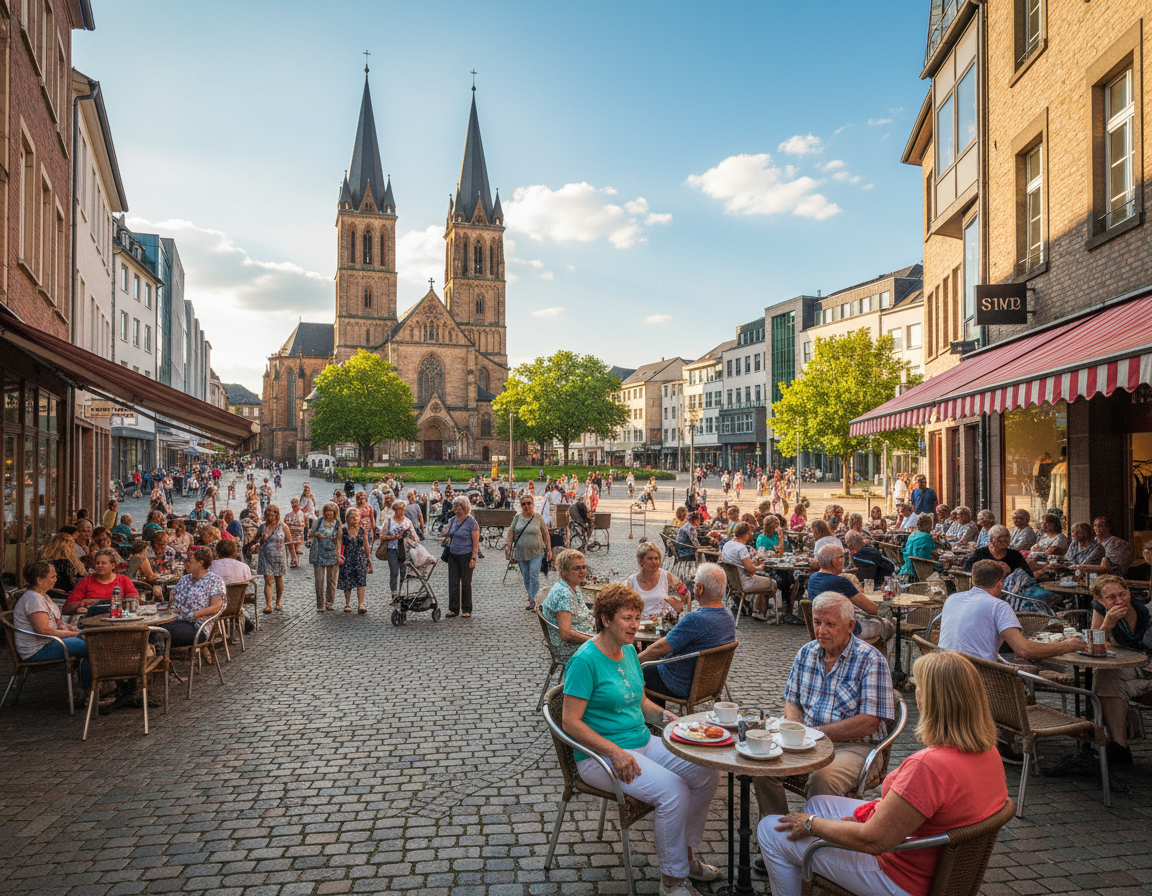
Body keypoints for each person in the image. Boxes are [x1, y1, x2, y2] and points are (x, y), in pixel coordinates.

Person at [759, 650, 1009, 896]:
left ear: (929, 700)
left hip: (899, 876)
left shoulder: (928, 766)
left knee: (770, 829)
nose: (916, 693)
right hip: (930, 860)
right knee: (818, 803)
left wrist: (811, 824)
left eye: (918, 687)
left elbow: (872, 840)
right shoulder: (989, 751)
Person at [563, 583, 721, 896]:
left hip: (643, 742)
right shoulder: (585, 660)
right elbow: (570, 722)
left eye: (637, 617)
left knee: (706, 773)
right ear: (605, 619)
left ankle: (685, 856)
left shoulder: (629, 652)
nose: (635, 624)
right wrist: (613, 751)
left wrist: (666, 718)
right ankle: (672, 881)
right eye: (627, 618)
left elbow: (640, 700)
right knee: (673, 791)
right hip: (601, 756)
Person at [752, 592, 895, 824]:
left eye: (830, 624)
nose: (821, 631)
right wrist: (794, 728)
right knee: (763, 766)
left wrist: (814, 733)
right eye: (817, 622)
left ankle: (818, 838)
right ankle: (778, 831)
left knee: (823, 780)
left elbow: (869, 722)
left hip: (855, 746)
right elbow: (793, 701)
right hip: (807, 741)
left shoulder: (871, 659)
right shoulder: (807, 652)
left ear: (850, 626)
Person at [939, 559, 1086, 665]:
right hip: (975, 677)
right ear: (1000, 582)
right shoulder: (998, 606)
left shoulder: (952, 599)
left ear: (973, 580)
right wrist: (1068, 645)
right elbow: (1025, 650)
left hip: (941, 671)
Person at [637, 564, 736, 706]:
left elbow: (658, 649)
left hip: (680, 684)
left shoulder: (695, 619)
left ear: (700, 589)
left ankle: (652, 716)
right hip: (709, 683)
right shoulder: (728, 616)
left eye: (695, 584)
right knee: (652, 666)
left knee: (642, 670)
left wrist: (633, 662)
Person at [1089, 576, 1151, 767]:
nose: (1119, 601)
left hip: (1146, 666)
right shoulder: (1102, 609)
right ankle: (1120, 748)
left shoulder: (1146, 611)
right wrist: (1106, 626)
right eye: (1111, 597)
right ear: (1100, 599)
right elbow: (1093, 647)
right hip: (1136, 667)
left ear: (1129, 592)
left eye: (1123, 594)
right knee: (1106, 676)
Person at [15, 561, 93, 698]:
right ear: (39, 580)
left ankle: (92, 690)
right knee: (92, 648)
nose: (56, 579)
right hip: (38, 650)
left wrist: (73, 630)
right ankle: (90, 693)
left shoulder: (41, 596)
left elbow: (54, 624)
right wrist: (74, 633)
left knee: (90, 642)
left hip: (46, 644)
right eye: (52, 576)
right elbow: (43, 630)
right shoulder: (33, 599)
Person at [159, 547, 225, 648]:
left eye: (190, 561)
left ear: (200, 563)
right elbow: (173, 601)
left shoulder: (214, 581)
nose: (186, 564)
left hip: (197, 627)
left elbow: (216, 607)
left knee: (160, 633)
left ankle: (158, 655)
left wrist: (194, 614)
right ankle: (158, 655)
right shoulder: (184, 579)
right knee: (152, 630)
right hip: (175, 621)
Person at [540, 549, 595, 656]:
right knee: (619, 642)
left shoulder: (572, 584)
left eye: (584, 567)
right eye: (576, 568)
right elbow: (565, 634)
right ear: (565, 571)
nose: (582, 571)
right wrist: (595, 641)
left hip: (585, 636)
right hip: (570, 648)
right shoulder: (564, 594)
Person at [721, 521, 777, 621]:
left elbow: (741, 563)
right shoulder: (741, 548)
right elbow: (751, 569)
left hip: (733, 582)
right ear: (748, 533)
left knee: (763, 578)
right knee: (773, 583)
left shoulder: (727, 544)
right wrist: (760, 566)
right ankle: (760, 611)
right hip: (745, 582)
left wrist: (754, 564)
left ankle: (757, 608)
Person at [505, 495, 552, 611]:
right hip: (521, 552)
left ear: (533, 504)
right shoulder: (517, 517)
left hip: (537, 552)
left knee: (533, 575)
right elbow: (511, 531)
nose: (526, 506)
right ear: (521, 506)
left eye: (529, 503)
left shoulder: (538, 517)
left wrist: (549, 549)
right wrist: (508, 546)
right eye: (524, 504)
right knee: (526, 576)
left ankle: (535, 600)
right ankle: (531, 597)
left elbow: (545, 533)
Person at [62, 549, 139, 615]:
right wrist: (81, 604)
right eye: (97, 563)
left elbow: (133, 602)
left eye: (103, 563)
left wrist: (95, 601)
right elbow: (66, 609)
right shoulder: (86, 581)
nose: (99, 566)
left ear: (113, 565)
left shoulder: (124, 580)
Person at [627, 541, 688, 617]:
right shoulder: (631, 582)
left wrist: (685, 615)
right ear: (641, 561)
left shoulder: (667, 576)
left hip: (663, 622)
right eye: (650, 558)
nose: (654, 562)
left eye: (656, 558)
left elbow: (686, 593)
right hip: (641, 622)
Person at [443, 495, 480, 618]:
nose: (456, 507)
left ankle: (466, 609)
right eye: (455, 505)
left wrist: (473, 558)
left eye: (459, 505)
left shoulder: (471, 522)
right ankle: (453, 608)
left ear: (465, 507)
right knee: (453, 583)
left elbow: (475, 542)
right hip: (453, 555)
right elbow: (447, 534)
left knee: (466, 583)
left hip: (466, 555)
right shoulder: (452, 520)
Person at [256, 504, 292, 613]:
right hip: (265, 557)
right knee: (268, 580)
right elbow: (256, 539)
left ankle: (278, 602)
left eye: (273, 515)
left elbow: (290, 542)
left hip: (279, 557)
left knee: (278, 578)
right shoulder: (262, 527)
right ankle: (268, 605)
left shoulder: (283, 526)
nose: (271, 517)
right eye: (269, 515)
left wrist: (293, 556)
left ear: (277, 515)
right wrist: (255, 544)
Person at [338, 507, 373, 614]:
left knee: (361, 581)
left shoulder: (362, 530)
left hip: (360, 558)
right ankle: (347, 604)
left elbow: (366, 544)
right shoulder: (343, 530)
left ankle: (361, 605)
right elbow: (340, 544)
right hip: (347, 558)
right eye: (352, 517)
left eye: (356, 517)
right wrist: (339, 556)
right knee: (347, 581)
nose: (354, 519)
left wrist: (368, 558)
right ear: (347, 519)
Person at [380, 500, 416, 603]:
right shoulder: (389, 522)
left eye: (402, 509)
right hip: (392, 549)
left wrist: (411, 537)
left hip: (404, 550)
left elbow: (415, 537)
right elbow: (381, 536)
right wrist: (393, 537)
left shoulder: (408, 522)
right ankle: (394, 594)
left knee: (403, 573)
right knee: (394, 572)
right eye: (397, 509)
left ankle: (401, 593)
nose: (400, 511)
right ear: (394, 510)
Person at [309, 502, 342, 611]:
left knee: (331, 580)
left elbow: (339, 538)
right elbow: (310, 532)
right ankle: (320, 604)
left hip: (332, 553)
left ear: (335, 512)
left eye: (331, 511)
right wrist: (316, 534)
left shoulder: (337, 523)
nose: (329, 513)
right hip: (319, 553)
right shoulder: (318, 521)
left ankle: (329, 602)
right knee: (319, 580)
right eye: (327, 510)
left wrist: (338, 551)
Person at [962, 526, 1030, 575]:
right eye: (999, 537)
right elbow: (967, 569)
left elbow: (1026, 573)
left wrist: (1010, 572)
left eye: (1006, 536)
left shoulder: (1015, 554)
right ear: (991, 540)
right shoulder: (980, 553)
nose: (1004, 539)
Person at [284, 498, 306, 568]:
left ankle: (297, 549)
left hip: (299, 533)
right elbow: (285, 525)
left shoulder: (303, 514)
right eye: (293, 504)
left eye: (296, 504)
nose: (295, 506)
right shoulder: (288, 515)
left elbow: (305, 525)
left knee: (297, 539)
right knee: (291, 543)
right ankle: (293, 559)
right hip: (290, 532)